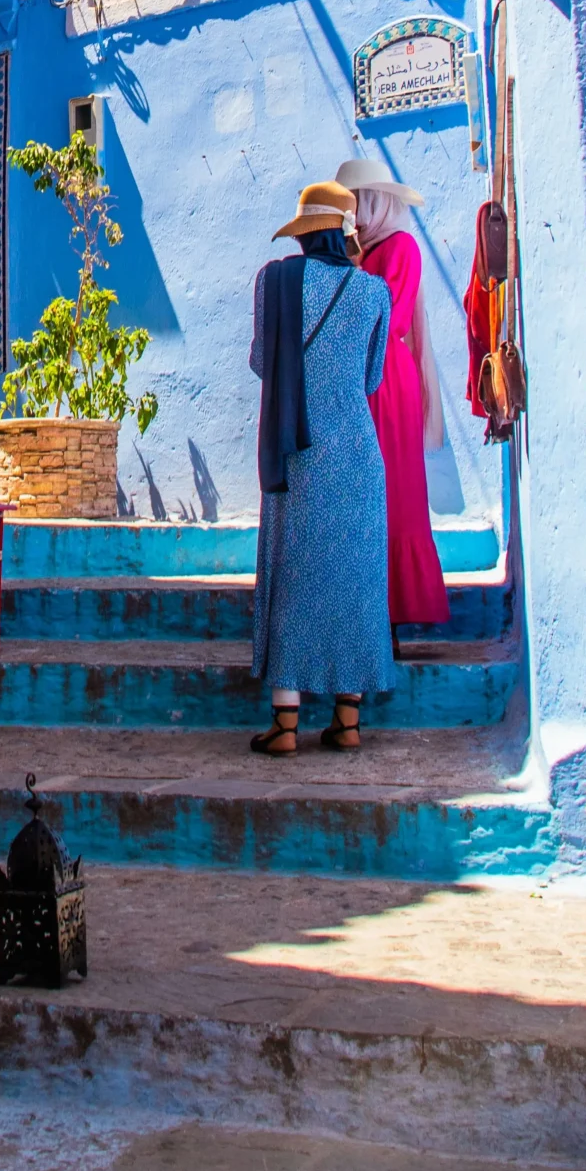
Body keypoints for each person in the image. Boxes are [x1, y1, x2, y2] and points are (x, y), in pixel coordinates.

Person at [248, 179, 392, 755]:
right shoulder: (374, 293)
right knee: (354, 581)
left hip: (297, 450)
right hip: (358, 455)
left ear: (305, 234)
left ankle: (286, 725)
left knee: (292, 576)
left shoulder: (274, 281)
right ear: (346, 233)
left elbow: (263, 363)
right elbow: (373, 378)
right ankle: (348, 722)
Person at [337, 157, 451, 642]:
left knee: (393, 490)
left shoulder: (400, 247)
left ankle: (393, 611)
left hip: (387, 380)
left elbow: (393, 319)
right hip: (363, 379)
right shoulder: (364, 253)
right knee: (368, 491)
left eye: (355, 203)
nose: (351, 214)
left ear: (373, 202)